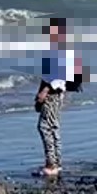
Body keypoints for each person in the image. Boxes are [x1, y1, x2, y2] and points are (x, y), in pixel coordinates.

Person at [35, 17, 80, 177]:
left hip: (53, 93)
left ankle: (52, 163)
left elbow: (58, 75)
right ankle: (55, 161)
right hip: (57, 92)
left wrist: (45, 90)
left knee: (46, 127)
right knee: (52, 126)